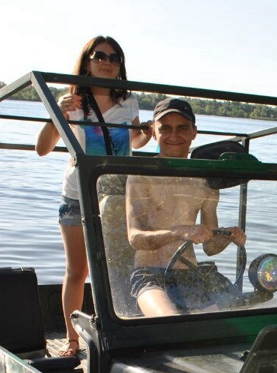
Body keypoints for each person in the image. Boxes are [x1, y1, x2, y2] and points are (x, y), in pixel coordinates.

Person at [36, 35, 152, 356]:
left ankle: (119, 336)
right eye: (99, 55)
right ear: (86, 61)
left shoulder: (127, 102)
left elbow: (135, 143)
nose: (106, 62)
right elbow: (42, 149)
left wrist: (145, 132)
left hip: (116, 197)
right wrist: (56, 114)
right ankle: (73, 342)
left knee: (118, 266)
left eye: (114, 58)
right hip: (78, 196)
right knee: (78, 271)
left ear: (120, 67)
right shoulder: (72, 101)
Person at [125, 98, 246, 316]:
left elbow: (210, 247)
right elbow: (135, 238)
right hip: (149, 275)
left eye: (182, 128)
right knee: (171, 321)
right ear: (153, 132)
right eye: (165, 129)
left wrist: (228, 236)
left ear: (194, 133)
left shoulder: (205, 181)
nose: (174, 136)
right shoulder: (141, 175)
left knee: (238, 316)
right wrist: (180, 231)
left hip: (191, 275)